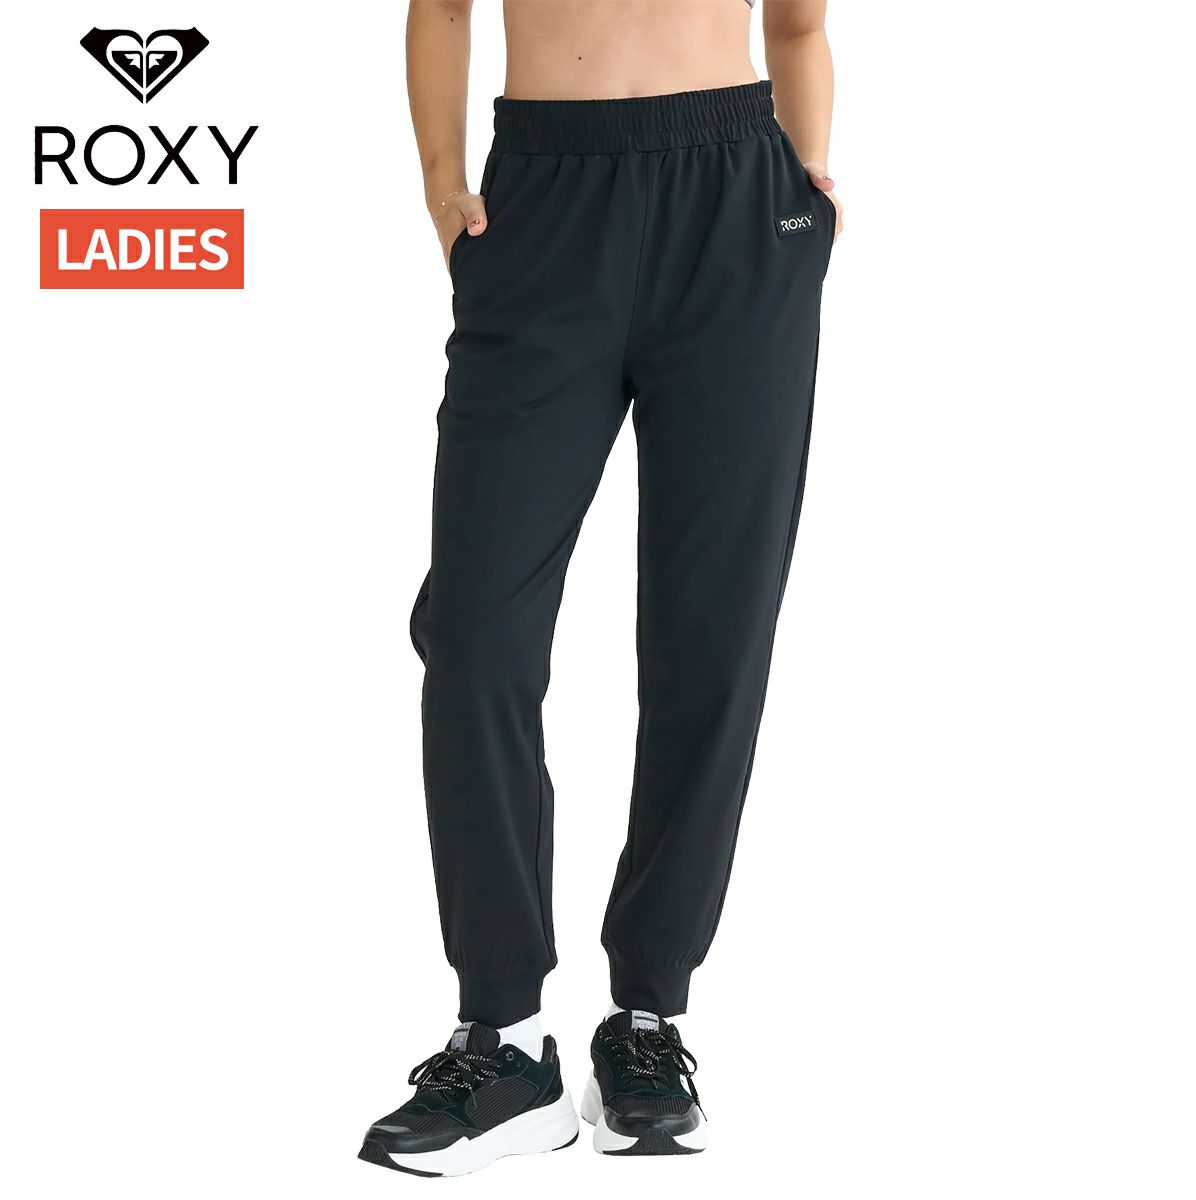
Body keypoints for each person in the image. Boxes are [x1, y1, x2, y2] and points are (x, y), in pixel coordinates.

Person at [359, 0, 841, 1175]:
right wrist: (441, 183)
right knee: (474, 633)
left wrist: (807, 196)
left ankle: (648, 1019)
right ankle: (506, 1038)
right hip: (543, 203)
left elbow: (798, 26)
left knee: (712, 632)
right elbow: (441, 7)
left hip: (738, 208)